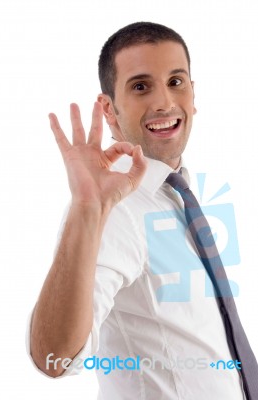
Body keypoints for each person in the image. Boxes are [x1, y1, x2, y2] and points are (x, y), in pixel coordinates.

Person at [27, 22, 253, 399]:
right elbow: (55, 357)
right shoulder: (113, 208)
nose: (164, 101)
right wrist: (87, 210)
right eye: (140, 86)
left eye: (176, 81)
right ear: (109, 109)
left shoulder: (178, 193)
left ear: (193, 94)